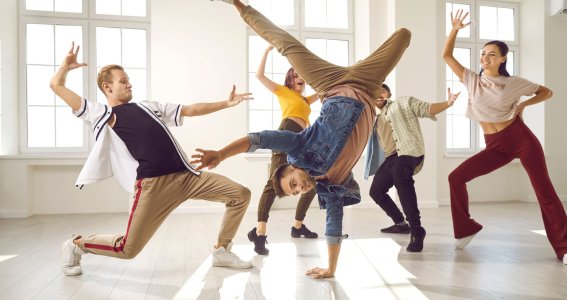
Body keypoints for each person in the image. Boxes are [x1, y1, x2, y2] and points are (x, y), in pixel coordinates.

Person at [201, 0, 411, 278]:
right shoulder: (333, 186)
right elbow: (333, 227)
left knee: (287, 46)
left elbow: (258, 138)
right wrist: (330, 269)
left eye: (292, 184)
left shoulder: (298, 146)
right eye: (296, 192)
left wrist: (221, 154)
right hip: (367, 85)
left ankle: (239, 5)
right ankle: (360, 65)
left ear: (291, 167)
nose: (300, 188)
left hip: (332, 84)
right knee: (405, 35)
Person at [50, 42, 254, 276]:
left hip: (187, 177)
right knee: (128, 249)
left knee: (240, 195)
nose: (129, 83)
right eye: (123, 81)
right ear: (107, 87)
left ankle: (222, 251)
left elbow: (190, 110)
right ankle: (77, 245)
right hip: (153, 187)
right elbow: (56, 85)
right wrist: (65, 67)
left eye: (128, 80)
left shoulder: (148, 107)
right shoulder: (103, 114)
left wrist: (226, 103)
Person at [443, 10, 567, 264]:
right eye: (483, 53)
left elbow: (547, 92)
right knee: (456, 177)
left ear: (502, 59)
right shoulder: (471, 79)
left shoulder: (514, 83)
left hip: (521, 140)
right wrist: (455, 29)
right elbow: (446, 55)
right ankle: (466, 228)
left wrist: (523, 106)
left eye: (491, 54)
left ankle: (564, 248)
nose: (485, 57)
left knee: (544, 192)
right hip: (495, 145)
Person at [364, 84, 460, 252]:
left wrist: (448, 103)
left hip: (409, 150)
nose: (379, 94)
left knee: (400, 173)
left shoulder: (402, 103)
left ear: (389, 94)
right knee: (376, 191)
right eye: (375, 92)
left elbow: (426, 109)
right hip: (392, 157)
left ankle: (416, 230)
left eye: (383, 91)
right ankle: (400, 223)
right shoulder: (374, 118)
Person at [248, 45, 319, 256]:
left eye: (301, 75)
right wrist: (267, 51)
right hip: (286, 134)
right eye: (295, 74)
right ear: (289, 79)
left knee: (312, 182)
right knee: (272, 184)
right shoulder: (283, 91)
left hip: (303, 140)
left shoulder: (306, 100)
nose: (300, 77)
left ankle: (297, 227)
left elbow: (325, 90)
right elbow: (259, 75)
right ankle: (260, 233)